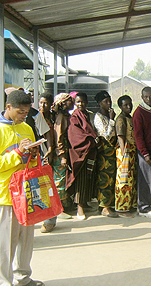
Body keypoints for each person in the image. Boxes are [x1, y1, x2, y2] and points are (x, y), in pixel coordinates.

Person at [0, 90, 45, 286]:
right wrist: (17, 153)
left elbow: (31, 161)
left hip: (26, 192)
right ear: (8, 107)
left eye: (27, 113)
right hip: (5, 195)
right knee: (4, 244)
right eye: (21, 112)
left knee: (26, 240)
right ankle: (1, 285)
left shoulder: (27, 128)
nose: (24, 116)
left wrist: (33, 155)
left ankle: (23, 276)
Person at [44, 92, 74, 231]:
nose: (72, 103)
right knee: (59, 181)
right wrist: (62, 155)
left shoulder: (65, 116)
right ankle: (58, 209)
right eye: (69, 101)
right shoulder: (61, 118)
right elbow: (59, 138)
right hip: (60, 154)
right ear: (63, 103)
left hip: (65, 152)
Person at [66, 92, 98, 220]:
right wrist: (91, 139)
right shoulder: (74, 117)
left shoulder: (86, 115)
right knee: (80, 180)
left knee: (87, 179)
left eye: (83, 102)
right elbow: (75, 136)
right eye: (78, 102)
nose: (81, 104)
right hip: (79, 153)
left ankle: (84, 202)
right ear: (75, 103)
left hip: (88, 152)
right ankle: (79, 208)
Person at [133, 87, 151, 218]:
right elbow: (138, 135)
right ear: (142, 97)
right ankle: (143, 208)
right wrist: (145, 154)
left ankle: (148, 204)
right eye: (146, 97)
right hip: (145, 152)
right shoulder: (139, 113)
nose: (149, 99)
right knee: (145, 179)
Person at [93, 90, 119, 218]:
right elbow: (107, 135)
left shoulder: (107, 115)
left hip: (112, 151)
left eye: (109, 100)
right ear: (99, 103)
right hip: (104, 152)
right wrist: (112, 119)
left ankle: (109, 203)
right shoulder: (98, 117)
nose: (109, 103)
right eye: (105, 101)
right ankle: (104, 206)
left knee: (112, 178)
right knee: (105, 178)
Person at [114, 95, 137, 217]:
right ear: (120, 107)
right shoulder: (121, 119)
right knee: (124, 180)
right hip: (125, 152)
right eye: (125, 105)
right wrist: (124, 155)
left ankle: (130, 204)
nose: (129, 107)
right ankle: (121, 208)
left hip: (132, 151)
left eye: (130, 104)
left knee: (131, 180)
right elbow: (120, 137)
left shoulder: (129, 117)